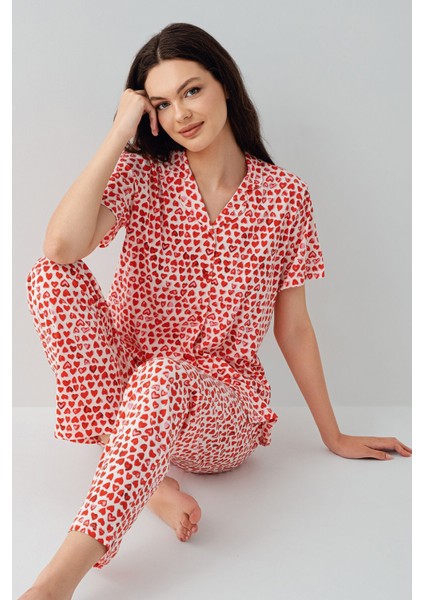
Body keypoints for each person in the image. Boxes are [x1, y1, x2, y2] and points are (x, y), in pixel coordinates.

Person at [20, 22, 412, 600]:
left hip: (219, 410)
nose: (180, 113)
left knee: (163, 376)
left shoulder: (286, 197)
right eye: (161, 103)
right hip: (131, 392)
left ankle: (58, 579)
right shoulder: (144, 174)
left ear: (225, 83)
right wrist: (120, 132)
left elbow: (294, 327)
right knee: (49, 277)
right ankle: (149, 485)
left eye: (192, 90)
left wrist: (332, 435)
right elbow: (60, 248)